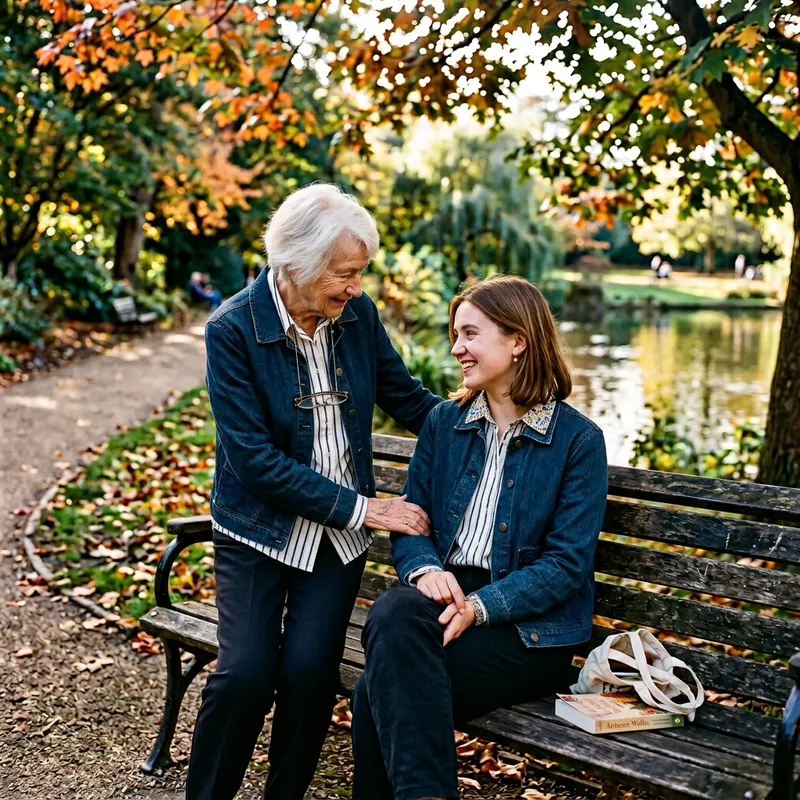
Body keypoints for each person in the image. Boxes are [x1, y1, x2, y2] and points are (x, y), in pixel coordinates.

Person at [186, 183, 442, 800]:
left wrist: (490, 421)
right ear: (297, 263)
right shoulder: (232, 329)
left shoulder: (357, 315)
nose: (356, 287)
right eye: (345, 273)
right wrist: (365, 508)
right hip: (257, 529)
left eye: (360, 272)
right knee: (245, 674)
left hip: (335, 543)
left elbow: (406, 397)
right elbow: (253, 461)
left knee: (309, 673)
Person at [351, 275, 608, 800]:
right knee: (395, 610)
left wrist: (480, 607)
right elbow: (412, 520)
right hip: (446, 600)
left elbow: (566, 564)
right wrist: (426, 571)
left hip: (529, 630)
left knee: (372, 693)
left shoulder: (578, 441)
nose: (456, 348)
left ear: (518, 341)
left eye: (470, 334)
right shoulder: (444, 424)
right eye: (455, 335)